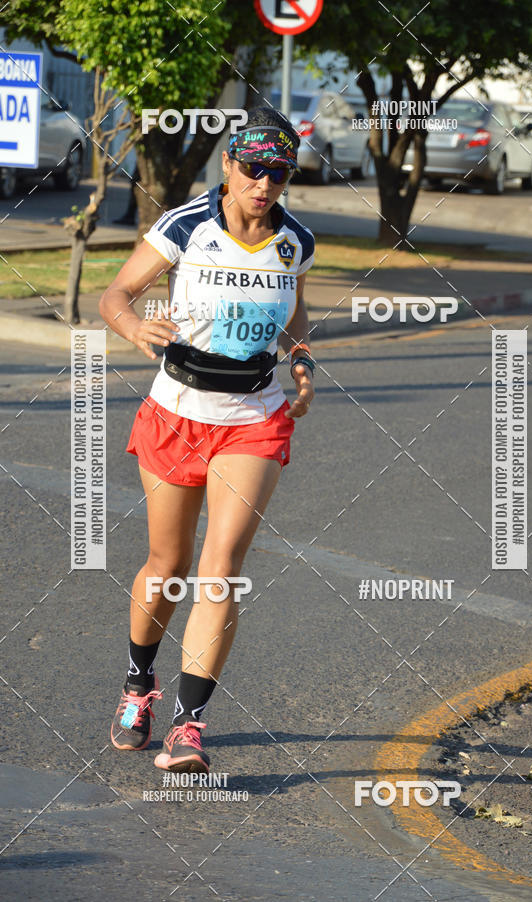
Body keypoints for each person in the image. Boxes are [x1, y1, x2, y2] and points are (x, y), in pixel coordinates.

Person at [99, 107, 315, 774]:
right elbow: (117, 294)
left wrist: (302, 361)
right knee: (167, 566)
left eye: (279, 171)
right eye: (253, 168)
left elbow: (295, 312)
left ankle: (189, 725)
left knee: (220, 570)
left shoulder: (294, 242)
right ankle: (140, 685)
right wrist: (135, 329)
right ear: (229, 165)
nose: (265, 182)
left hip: (254, 413)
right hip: (176, 413)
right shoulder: (185, 226)